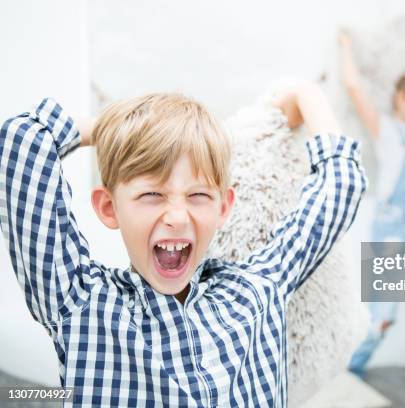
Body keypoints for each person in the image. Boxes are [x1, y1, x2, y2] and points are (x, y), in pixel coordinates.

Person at [0, 83, 367, 406]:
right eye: (152, 194)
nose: (177, 216)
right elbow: (21, 142)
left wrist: (307, 94)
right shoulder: (81, 303)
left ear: (224, 207)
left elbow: (341, 186)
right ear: (110, 208)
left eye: (197, 195)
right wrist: (115, 130)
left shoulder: (257, 290)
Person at [339, 18, 405, 376]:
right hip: (393, 237)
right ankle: (350, 374)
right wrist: (345, 45)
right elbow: (354, 87)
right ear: (400, 100)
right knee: (384, 314)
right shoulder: (388, 132)